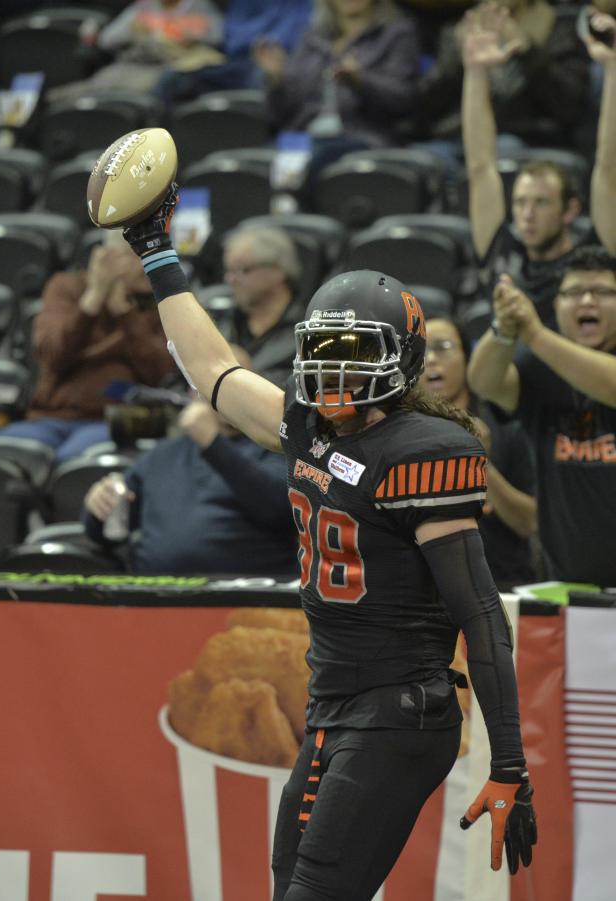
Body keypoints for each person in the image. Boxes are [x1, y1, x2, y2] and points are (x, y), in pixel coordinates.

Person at [113, 184, 537, 899]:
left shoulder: (425, 448)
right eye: (324, 353)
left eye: (354, 354)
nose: (334, 372)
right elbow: (212, 369)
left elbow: (481, 615)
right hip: (336, 706)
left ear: (398, 358)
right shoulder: (309, 424)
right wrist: (157, 251)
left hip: (402, 710)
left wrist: (511, 763)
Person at [467, 244, 616, 587]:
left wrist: (534, 334)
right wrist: (504, 328)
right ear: (558, 305)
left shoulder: (542, 345)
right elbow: (484, 382)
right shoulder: (541, 369)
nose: (587, 301)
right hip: (566, 587)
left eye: (603, 292)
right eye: (574, 292)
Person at [462, 2, 616, 325]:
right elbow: (480, 167)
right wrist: (476, 72)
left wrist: (613, 70)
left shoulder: (595, 258)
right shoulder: (503, 252)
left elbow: (608, 167)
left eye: (541, 202)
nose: (527, 214)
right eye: (520, 203)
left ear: (571, 210)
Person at [83, 356, 298, 576]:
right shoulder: (162, 455)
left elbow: (281, 510)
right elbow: (107, 533)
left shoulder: (275, 447)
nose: (222, 394)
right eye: (213, 383)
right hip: (157, 598)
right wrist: (99, 508)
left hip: (249, 597)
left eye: (235, 383)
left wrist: (213, 443)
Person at [0, 233, 176, 462]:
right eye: (135, 257)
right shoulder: (66, 287)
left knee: (74, 460)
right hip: (49, 418)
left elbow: (160, 371)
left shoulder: (159, 301)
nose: (145, 266)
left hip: (114, 421)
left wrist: (123, 311)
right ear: (107, 257)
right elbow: (52, 354)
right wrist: (93, 299)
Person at [419, 315, 537, 589]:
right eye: (422, 350)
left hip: (501, 586)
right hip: (425, 590)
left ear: (468, 356)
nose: (431, 360)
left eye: (443, 346)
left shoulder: (507, 427)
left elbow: (529, 523)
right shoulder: (398, 434)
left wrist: (482, 463)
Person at [252, 0, 420, 191]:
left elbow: (402, 100)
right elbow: (280, 116)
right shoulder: (313, 39)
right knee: (253, 167)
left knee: (306, 163)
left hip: (361, 138)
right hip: (304, 137)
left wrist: (360, 81)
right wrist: (277, 80)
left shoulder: (396, 34)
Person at [413, 0, 589, 173]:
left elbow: (570, 105)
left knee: (502, 151)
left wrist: (527, 50)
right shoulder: (462, 29)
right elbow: (423, 107)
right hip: (456, 138)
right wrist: (457, 59)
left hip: (524, 138)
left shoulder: (558, 28)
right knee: (417, 162)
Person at [47, 0, 224, 102]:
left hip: (168, 69)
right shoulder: (144, 7)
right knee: (59, 98)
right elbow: (106, 40)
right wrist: (138, 26)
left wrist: (179, 30)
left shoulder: (198, 6)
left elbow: (218, 37)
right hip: (127, 65)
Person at [154, 0, 312, 108]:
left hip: (275, 63)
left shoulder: (298, 4)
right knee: (173, 79)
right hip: (235, 62)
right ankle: (162, 150)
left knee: (262, 78)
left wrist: (270, 51)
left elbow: (293, 38)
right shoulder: (241, 4)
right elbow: (230, 39)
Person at [215, 224, 305, 388]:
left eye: (242, 270)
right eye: (229, 271)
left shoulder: (306, 331)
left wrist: (247, 377)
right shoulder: (222, 321)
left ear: (279, 270)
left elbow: (301, 393)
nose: (231, 280)